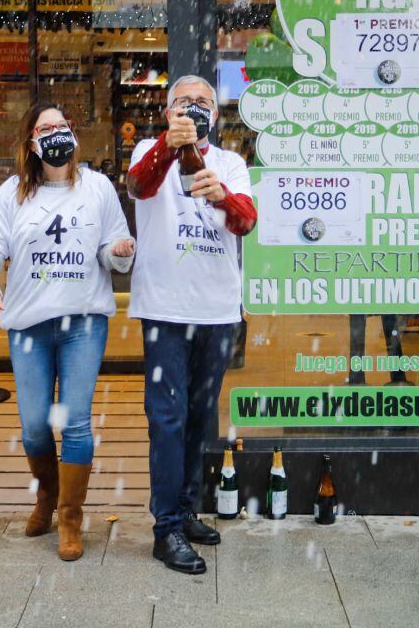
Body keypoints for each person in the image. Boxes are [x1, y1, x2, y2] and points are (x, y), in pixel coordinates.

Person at [0, 103, 135, 561]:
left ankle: (70, 517)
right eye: (46, 128)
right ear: (32, 142)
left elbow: (113, 253)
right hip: (29, 327)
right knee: (36, 425)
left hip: (83, 322)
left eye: (62, 126)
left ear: (73, 135)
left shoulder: (98, 188)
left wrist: (119, 253)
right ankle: (47, 494)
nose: (56, 133)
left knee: (76, 422)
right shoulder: (13, 194)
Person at [125, 75, 257, 574]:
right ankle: (167, 530)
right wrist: (169, 147)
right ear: (168, 112)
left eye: (203, 101)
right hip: (164, 308)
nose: (195, 108)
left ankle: (186, 510)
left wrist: (221, 194)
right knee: (167, 418)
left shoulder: (232, 163)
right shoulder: (148, 148)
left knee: (200, 417)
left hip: (217, 310)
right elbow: (139, 185)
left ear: (216, 116)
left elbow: (245, 221)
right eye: (184, 101)